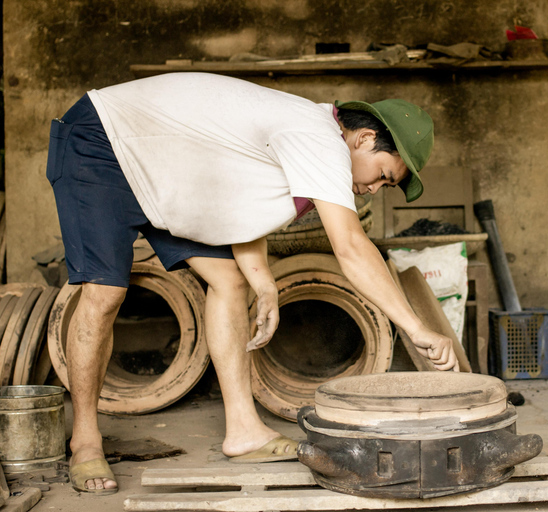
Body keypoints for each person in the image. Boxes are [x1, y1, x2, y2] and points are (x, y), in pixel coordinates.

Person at [46, 72, 460, 495]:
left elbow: (240, 205)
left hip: (162, 171)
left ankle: (243, 431)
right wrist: (417, 328)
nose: (373, 188)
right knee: (105, 292)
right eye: (384, 175)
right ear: (364, 138)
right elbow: (351, 246)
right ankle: (85, 440)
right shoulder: (318, 136)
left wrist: (264, 284)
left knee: (230, 281)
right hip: (102, 142)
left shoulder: (306, 139)